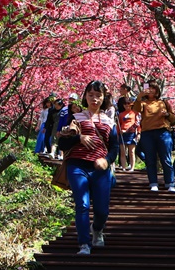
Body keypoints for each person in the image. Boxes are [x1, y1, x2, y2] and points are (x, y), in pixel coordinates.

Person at [56, 80, 119, 256]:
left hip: (100, 169)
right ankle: (84, 243)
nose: (94, 99)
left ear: (103, 97)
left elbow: (114, 146)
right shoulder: (76, 118)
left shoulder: (108, 121)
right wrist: (79, 138)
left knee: (102, 210)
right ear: (85, 96)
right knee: (82, 204)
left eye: (98, 95)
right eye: (90, 95)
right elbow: (62, 142)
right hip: (77, 165)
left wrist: (107, 160)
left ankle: (97, 230)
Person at [132, 81, 175, 192]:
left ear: (157, 90)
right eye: (149, 88)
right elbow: (135, 110)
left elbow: (174, 118)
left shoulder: (163, 102)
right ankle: (153, 182)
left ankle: (170, 183)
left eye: (153, 88)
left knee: (166, 159)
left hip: (163, 132)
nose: (151, 90)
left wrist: (166, 114)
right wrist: (139, 97)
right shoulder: (143, 103)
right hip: (147, 133)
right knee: (150, 159)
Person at [116, 96, 139, 172]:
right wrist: (118, 134)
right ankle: (123, 167)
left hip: (132, 133)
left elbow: (138, 124)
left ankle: (132, 167)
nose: (127, 106)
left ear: (131, 104)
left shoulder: (135, 113)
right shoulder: (121, 114)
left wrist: (138, 133)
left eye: (128, 104)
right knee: (123, 151)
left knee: (131, 152)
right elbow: (118, 124)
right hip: (122, 134)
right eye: (125, 104)